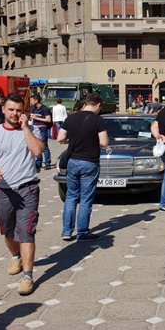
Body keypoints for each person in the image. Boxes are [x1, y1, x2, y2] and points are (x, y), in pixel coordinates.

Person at [0, 93, 45, 295]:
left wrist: (25, 128)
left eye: (19, 110)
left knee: (26, 231)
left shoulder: (31, 130)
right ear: (3, 110)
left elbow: (37, 151)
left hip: (28, 188)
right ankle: (16, 256)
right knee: (8, 229)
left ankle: (27, 276)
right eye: (11, 110)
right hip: (3, 190)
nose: (15, 114)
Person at [57, 93, 109, 241]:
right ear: (98, 105)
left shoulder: (71, 118)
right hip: (90, 162)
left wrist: (72, 139)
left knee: (71, 196)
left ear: (86, 103)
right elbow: (104, 142)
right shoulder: (98, 120)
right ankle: (82, 232)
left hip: (73, 161)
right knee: (86, 198)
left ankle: (67, 232)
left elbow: (60, 138)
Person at [29, 94, 52, 170]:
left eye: (32, 100)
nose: (30, 102)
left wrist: (37, 118)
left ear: (36, 100)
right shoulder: (33, 108)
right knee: (37, 146)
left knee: (44, 146)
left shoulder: (44, 109)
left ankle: (47, 163)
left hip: (42, 129)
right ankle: (38, 163)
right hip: (35, 129)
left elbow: (48, 120)